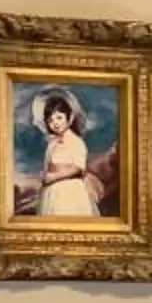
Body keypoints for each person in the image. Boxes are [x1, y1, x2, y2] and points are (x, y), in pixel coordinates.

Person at [31, 89, 100, 217]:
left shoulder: (76, 142)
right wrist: (45, 175)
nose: (55, 123)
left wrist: (53, 177)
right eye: (51, 120)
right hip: (51, 191)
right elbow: (47, 165)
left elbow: (79, 168)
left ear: (70, 118)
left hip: (70, 191)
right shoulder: (52, 144)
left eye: (59, 118)